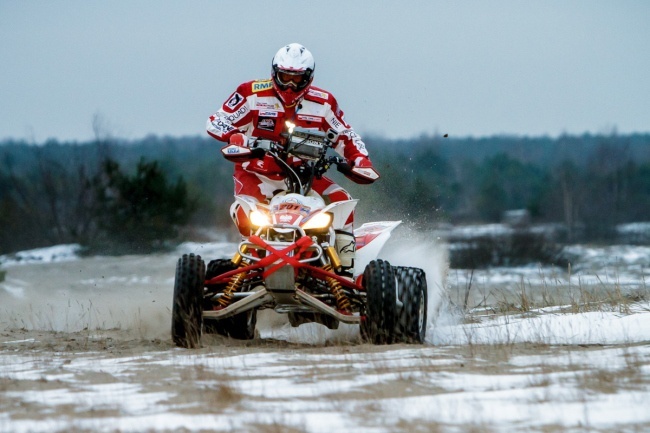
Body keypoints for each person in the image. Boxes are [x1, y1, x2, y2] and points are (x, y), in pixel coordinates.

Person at [206, 43, 378, 239]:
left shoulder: (324, 102)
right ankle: (252, 261)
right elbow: (216, 121)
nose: (290, 86)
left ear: (308, 78)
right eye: (285, 77)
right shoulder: (251, 93)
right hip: (257, 174)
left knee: (342, 202)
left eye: (297, 79)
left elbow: (346, 135)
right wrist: (235, 137)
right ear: (275, 73)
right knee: (246, 216)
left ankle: (344, 264)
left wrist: (359, 159)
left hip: (305, 177)